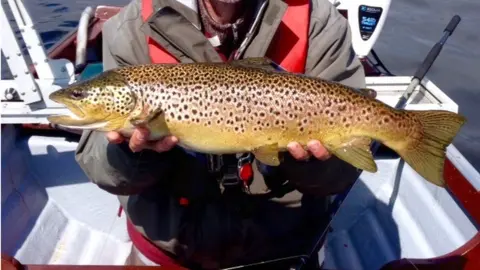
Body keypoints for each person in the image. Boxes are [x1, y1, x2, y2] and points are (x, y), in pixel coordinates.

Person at [75, 0, 367, 268]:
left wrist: (313, 164)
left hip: (284, 245)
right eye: (80, 95)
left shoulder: (319, 22)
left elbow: (344, 173)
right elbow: (102, 170)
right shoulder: (129, 29)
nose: (77, 99)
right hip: (169, 248)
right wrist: (131, 153)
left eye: (80, 96)